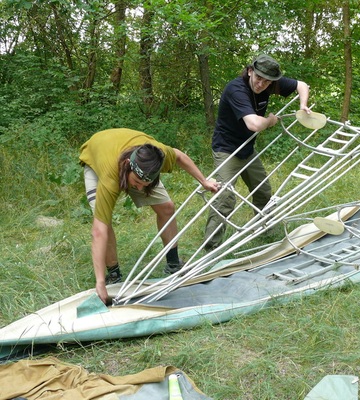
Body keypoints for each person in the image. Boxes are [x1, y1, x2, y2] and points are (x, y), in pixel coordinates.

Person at [79, 128, 219, 304]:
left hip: (131, 160)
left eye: (144, 184)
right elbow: (98, 231)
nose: (138, 189)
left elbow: (179, 156)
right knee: (104, 223)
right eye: (136, 183)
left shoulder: (157, 154)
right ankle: (113, 275)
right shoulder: (110, 177)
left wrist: (204, 181)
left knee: (167, 208)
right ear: (128, 166)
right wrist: (99, 281)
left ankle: (173, 264)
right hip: (96, 159)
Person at [203, 54, 311, 250]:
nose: (261, 84)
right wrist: (270, 121)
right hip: (226, 149)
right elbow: (254, 124)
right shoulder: (237, 89)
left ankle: (265, 231)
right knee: (225, 197)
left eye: (267, 81)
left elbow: (302, 85)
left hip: (247, 149)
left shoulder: (271, 84)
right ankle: (211, 246)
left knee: (263, 191)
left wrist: (303, 105)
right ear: (250, 71)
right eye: (258, 78)